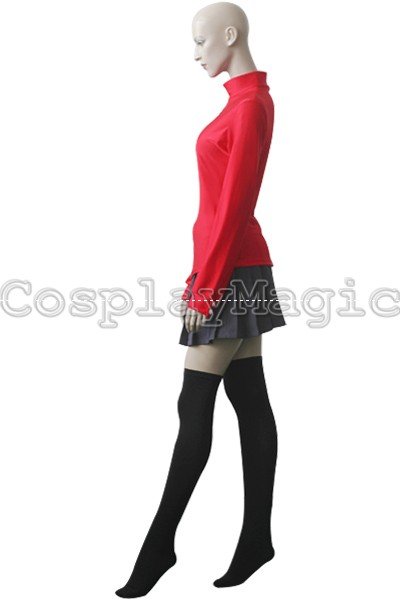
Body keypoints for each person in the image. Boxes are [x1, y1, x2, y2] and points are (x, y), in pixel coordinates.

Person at [115, 3, 286, 597]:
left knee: (194, 406)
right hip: (229, 266)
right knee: (250, 399)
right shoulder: (239, 103)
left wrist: (208, 288)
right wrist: (199, 276)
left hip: (233, 272)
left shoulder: (252, 104)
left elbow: (235, 206)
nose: (195, 54)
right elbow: (218, 210)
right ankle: (257, 540)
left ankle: (158, 547)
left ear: (229, 35)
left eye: (199, 41)